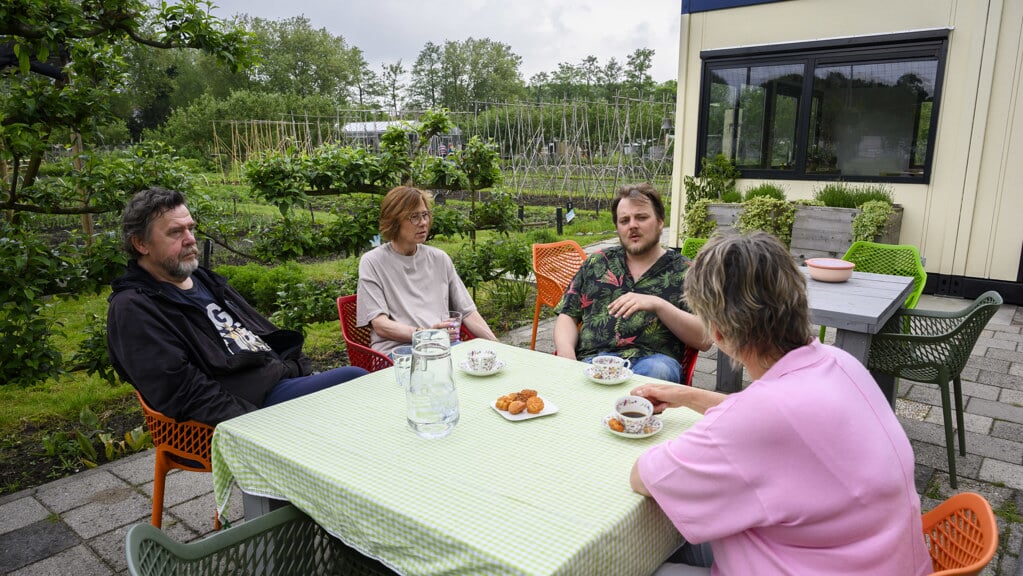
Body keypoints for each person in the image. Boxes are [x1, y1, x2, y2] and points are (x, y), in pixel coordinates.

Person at [629, 232, 932, 575]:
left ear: (718, 333)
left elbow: (644, 477)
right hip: (873, 557)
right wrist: (684, 395)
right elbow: (769, 416)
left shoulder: (754, 419)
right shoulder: (839, 363)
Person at [107, 188, 367, 427]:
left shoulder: (203, 280)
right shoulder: (135, 307)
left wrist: (301, 369)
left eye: (191, 229)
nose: (190, 239)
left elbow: (260, 333)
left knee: (368, 393)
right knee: (357, 381)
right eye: (175, 232)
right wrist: (250, 426)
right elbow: (181, 390)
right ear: (141, 244)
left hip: (278, 381)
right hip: (249, 407)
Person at [553, 183, 710, 382]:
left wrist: (659, 305)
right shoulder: (598, 262)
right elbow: (568, 315)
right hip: (594, 362)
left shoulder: (686, 272)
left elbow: (705, 339)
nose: (632, 225)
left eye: (642, 217)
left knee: (657, 372)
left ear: (660, 222)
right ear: (618, 227)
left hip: (653, 363)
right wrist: (566, 353)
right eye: (624, 220)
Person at [356, 185, 497, 356]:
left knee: (483, 368)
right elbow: (380, 325)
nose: (423, 222)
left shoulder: (439, 258)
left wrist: (499, 346)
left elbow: (467, 312)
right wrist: (427, 335)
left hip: (445, 347)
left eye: (425, 215)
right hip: (400, 353)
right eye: (414, 217)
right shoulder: (373, 262)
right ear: (394, 220)